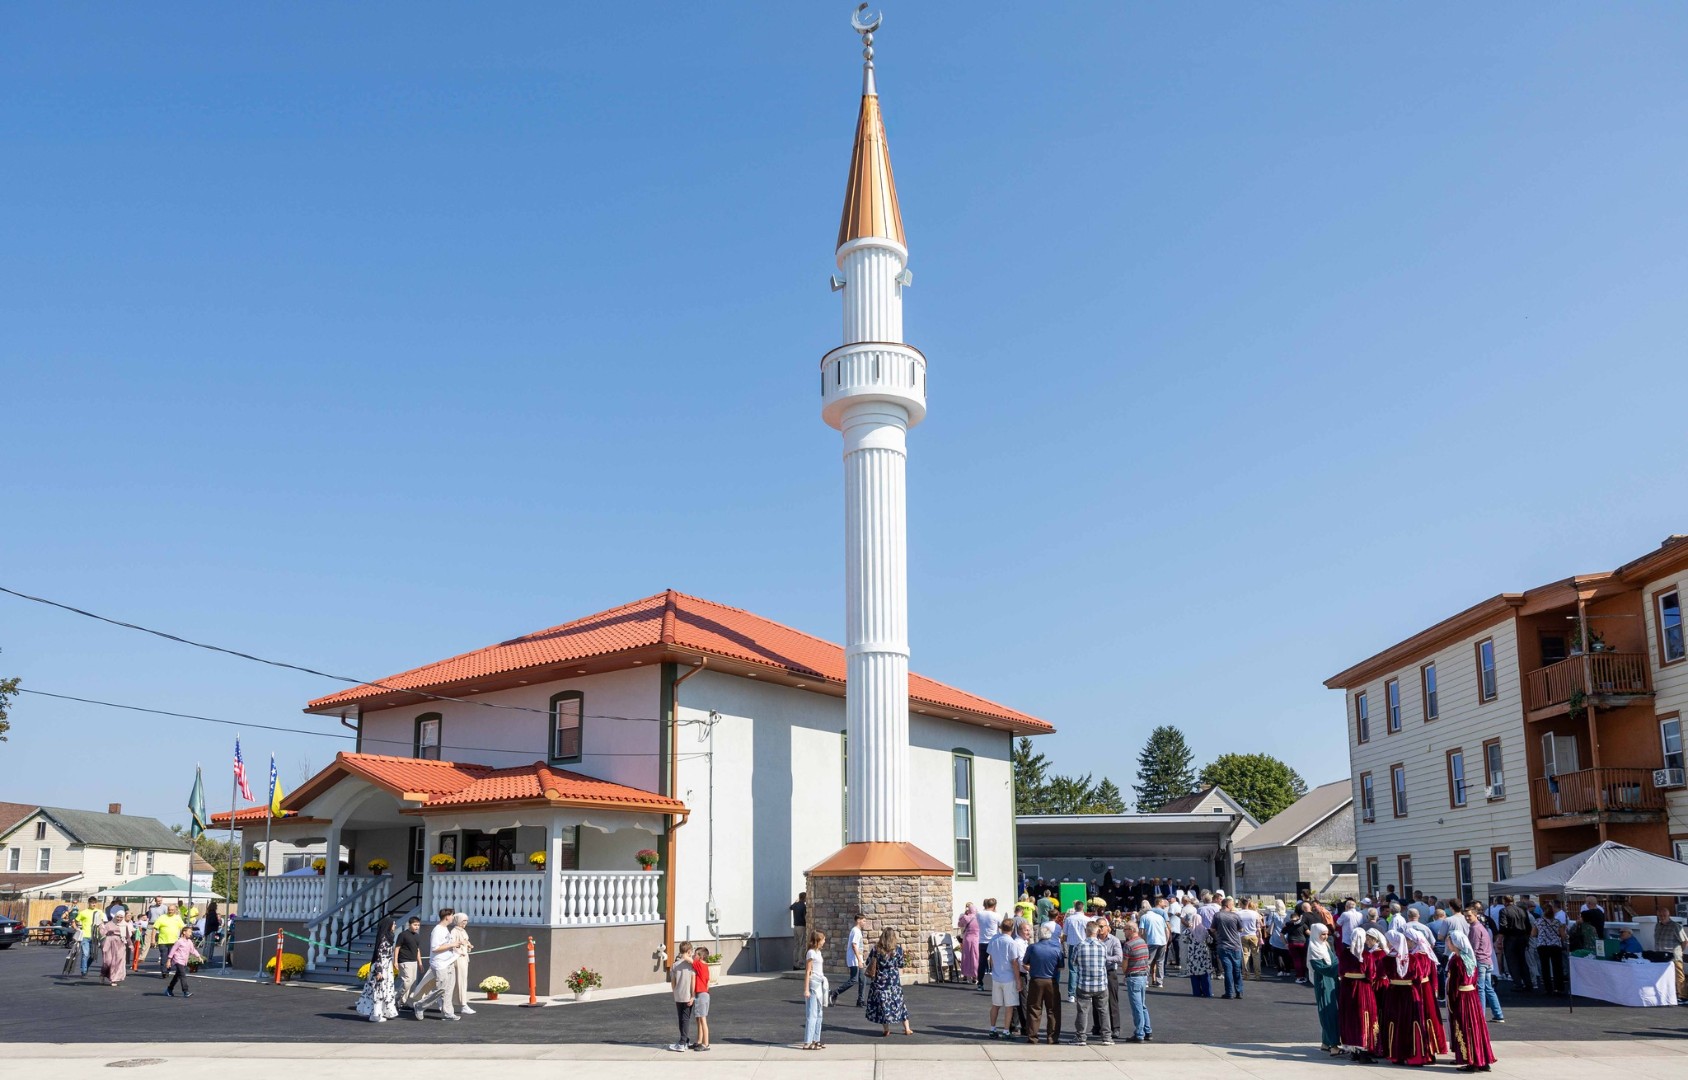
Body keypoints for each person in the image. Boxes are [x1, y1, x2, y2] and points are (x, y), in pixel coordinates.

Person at [1445, 926, 1496, 1072]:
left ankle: (1472, 1061)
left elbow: (1454, 984)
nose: (1448, 944)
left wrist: (1452, 1002)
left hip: (1462, 998)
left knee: (1466, 1028)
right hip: (1472, 997)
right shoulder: (1469, 957)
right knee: (1476, 1028)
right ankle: (1482, 1059)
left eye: (1450, 942)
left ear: (1455, 943)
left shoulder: (1457, 961)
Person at [1378, 931, 1433, 1066]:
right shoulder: (1413, 959)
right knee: (1412, 1022)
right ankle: (1414, 1055)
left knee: (1396, 1023)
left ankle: (1397, 1055)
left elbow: (1379, 974)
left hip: (1394, 993)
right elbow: (1419, 978)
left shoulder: (1386, 959)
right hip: (1410, 993)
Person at [1341, 929, 1386, 1063]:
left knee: (1350, 1016)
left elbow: (1340, 971)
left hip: (1347, 988)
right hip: (1362, 988)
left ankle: (1353, 1050)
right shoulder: (1366, 955)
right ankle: (1364, 1051)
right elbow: (1371, 974)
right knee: (1364, 1016)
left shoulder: (1344, 953)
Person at [409, 908, 461, 1021]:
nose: (453, 917)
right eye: (452, 915)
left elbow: (446, 945)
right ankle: (420, 1005)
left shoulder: (445, 929)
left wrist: (457, 945)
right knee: (441, 989)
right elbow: (435, 948)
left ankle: (448, 1013)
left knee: (449, 989)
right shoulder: (438, 930)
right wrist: (452, 944)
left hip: (449, 962)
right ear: (447, 916)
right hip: (440, 964)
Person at [1071, 920, 1112, 1047]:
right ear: (1097, 932)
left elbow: (1073, 962)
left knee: (1083, 1011)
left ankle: (1081, 1037)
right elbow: (1105, 961)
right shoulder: (1103, 946)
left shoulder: (1079, 946)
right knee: (1103, 1010)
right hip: (1100, 984)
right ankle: (1107, 1037)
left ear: (1086, 932)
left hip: (1084, 984)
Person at [864, 928, 912, 1037]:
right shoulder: (898, 950)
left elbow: (868, 962)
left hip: (880, 981)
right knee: (899, 1003)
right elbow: (901, 964)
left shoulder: (876, 949)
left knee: (882, 1005)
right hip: (893, 981)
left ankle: (886, 1029)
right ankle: (907, 1028)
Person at [1023, 923, 1063, 1045]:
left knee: (1034, 1008)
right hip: (1051, 980)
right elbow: (1061, 967)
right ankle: (1052, 1037)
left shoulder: (1032, 948)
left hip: (1036, 980)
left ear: (1038, 936)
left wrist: (1033, 968)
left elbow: (1025, 962)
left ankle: (1033, 1036)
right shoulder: (1057, 949)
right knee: (1053, 1010)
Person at [986, 917, 1026, 1038]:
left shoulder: (994, 940)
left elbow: (991, 957)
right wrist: (1018, 980)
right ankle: (1005, 1030)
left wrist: (994, 969)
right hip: (1009, 977)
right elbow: (1014, 963)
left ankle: (992, 1028)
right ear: (1012, 929)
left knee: (995, 1005)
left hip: (997, 976)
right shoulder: (1012, 943)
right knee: (1009, 1006)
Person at [1464, 903, 1504, 1023]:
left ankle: (1480, 1015)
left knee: (1481, 988)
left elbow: (1473, 948)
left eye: (1469, 916)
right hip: (1487, 960)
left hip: (1480, 961)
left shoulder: (1475, 929)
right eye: (1465, 916)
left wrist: (1469, 962)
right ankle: (1498, 1013)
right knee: (1488, 988)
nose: (1467, 918)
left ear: (1475, 915)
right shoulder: (1481, 927)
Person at [355, 918, 400, 1023]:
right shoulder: (384, 939)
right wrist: (379, 971)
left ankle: (378, 1013)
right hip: (381, 967)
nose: (395, 926)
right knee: (379, 990)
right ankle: (376, 1014)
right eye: (393, 924)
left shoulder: (388, 937)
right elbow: (379, 955)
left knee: (383, 990)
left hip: (386, 967)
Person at [1307, 923, 1340, 1055]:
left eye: (1326, 934)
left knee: (1332, 1010)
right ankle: (1334, 1045)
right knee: (1328, 1012)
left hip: (1332, 980)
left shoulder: (1324, 945)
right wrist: (1340, 968)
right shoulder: (1313, 948)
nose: (1325, 937)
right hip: (1324, 981)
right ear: (1316, 934)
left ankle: (1326, 1042)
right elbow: (1320, 967)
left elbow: (1334, 959)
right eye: (1323, 934)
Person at [1120, 919, 1152, 1043]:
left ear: (1131, 930)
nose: (1124, 932)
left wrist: (1125, 973)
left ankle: (1139, 1033)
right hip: (1143, 975)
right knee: (1142, 1005)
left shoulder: (1129, 945)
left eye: (1125, 929)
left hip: (1134, 976)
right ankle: (1147, 1030)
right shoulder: (1142, 942)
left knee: (1136, 1006)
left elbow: (1124, 963)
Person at [830, 913, 868, 1007]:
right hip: (854, 960)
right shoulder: (856, 931)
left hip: (858, 959)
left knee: (863, 979)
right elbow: (854, 945)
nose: (865, 922)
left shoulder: (857, 931)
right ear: (858, 920)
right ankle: (835, 992)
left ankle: (860, 1000)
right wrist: (859, 960)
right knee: (854, 979)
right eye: (863, 920)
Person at [1211, 897, 1245, 999]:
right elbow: (1241, 929)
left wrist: (1219, 932)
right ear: (1229, 905)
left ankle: (1229, 992)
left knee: (1228, 970)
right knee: (1237, 970)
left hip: (1223, 945)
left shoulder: (1217, 916)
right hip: (1235, 946)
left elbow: (1212, 929)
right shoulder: (1235, 916)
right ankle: (1239, 992)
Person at [1651, 902, 1686, 1001]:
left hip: (1674, 955)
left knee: (1679, 976)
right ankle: (1671, 994)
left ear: (1669, 915)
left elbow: (1685, 941)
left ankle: (1683, 996)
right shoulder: (1657, 926)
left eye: (1664, 915)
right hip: (1661, 956)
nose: (1662, 917)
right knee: (1665, 976)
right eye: (1660, 915)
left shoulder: (1675, 926)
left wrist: (1679, 951)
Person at [1498, 896, 1532, 991]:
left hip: (1511, 938)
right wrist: (1526, 938)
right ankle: (1528, 983)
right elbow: (1528, 926)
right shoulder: (1522, 910)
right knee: (1523, 961)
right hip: (1522, 937)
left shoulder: (1504, 911)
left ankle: (1518, 983)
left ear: (1505, 901)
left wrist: (1500, 940)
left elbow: (1503, 926)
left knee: (1512, 962)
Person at [667, 941, 696, 1052]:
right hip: (688, 995)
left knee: (681, 1019)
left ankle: (684, 1040)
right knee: (686, 1018)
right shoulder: (691, 965)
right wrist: (693, 996)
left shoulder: (675, 965)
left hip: (678, 995)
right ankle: (683, 1042)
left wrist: (675, 992)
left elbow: (673, 982)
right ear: (689, 951)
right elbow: (693, 981)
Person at [802, 930, 828, 1050]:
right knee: (812, 1014)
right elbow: (808, 971)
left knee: (819, 1013)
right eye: (823, 939)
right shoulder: (811, 953)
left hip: (820, 982)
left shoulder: (818, 953)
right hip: (813, 984)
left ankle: (816, 1040)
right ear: (817, 941)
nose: (824, 941)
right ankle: (807, 1041)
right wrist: (806, 989)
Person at [1533, 900, 1567, 993]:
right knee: (1557, 967)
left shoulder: (1538, 922)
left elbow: (1533, 933)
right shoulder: (1557, 922)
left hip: (1543, 945)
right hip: (1555, 945)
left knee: (1545, 967)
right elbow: (1563, 935)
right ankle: (1559, 987)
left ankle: (1548, 988)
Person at [163, 923, 203, 998]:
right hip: (178, 960)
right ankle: (185, 991)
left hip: (184, 961)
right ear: (184, 932)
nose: (191, 933)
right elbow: (172, 951)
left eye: (191, 932)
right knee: (183, 975)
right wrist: (169, 960)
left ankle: (169, 989)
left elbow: (193, 950)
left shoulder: (189, 942)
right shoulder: (179, 941)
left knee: (177, 976)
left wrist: (199, 956)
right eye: (189, 932)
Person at [1062, 899, 1091, 1001]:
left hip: (1073, 945)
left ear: (1075, 908)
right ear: (1082, 908)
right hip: (1084, 946)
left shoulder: (1069, 919)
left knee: (1073, 970)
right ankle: (1086, 992)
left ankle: (1071, 994)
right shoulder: (1087, 919)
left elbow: (1064, 934)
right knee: (1086, 969)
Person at [394, 916, 425, 1007]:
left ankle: (403, 1002)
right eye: (415, 925)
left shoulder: (417, 936)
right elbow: (397, 948)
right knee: (407, 981)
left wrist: (420, 963)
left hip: (413, 961)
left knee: (413, 983)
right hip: (404, 961)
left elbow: (417, 950)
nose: (417, 927)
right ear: (409, 924)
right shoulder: (403, 935)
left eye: (418, 925)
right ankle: (396, 998)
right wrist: (395, 961)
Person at [450, 913, 476, 1015]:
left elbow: (465, 941)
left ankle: (461, 1003)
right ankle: (463, 1005)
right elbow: (452, 945)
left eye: (466, 921)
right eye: (463, 921)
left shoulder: (463, 931)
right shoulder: (454, 932)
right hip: (458, 959)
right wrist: (459, 951)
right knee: (459, 981)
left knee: (463, 981)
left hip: (464, 959)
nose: (465, 923)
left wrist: (468, 945)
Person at [1183, 910, 1213, 996]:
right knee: (1205, 974)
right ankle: (1208, 992)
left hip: (1193, 954)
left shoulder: (1188, 931)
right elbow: (1210, 941)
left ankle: (1196, 992)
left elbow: (1184, 940)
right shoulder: (1204, 930)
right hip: (1203, 954)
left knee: (1194, 974)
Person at [1140, 899, 1169, 987]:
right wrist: (1166, 941)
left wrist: (1142, 941)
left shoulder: (1144, 917)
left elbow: (1141, 931)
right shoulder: (1160, 917)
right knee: (1160, 962)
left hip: (1151, 941)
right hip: (1162, 941)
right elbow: (1166, 930)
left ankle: (1145, 982)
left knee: (1148, 962)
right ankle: (1160, 982)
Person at [974, 898, 1000, 990]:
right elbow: (1000, 926)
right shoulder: (996, 915)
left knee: (982, 963)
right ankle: (997, 983)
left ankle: (980, 983)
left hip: (982, 941)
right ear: (994, 906)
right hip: (993, 941)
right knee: (996, 963)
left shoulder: (980, 914)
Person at [153, 904, 184, 979]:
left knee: (172, 957)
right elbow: (155, 928)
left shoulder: (177, 918)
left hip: (174, 942)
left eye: (172, 910)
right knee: (164, 956)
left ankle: (168, 969)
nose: (170, 911)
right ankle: (164, 971)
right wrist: (153, 939)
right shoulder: (162, 917)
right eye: (169, 910)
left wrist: (183, 939)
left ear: (175, 910)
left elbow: (183, 928)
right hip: (163, 941)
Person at [100, 913, 128, 986]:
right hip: (109, 942)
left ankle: (114, 979)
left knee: (117, 961)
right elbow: (103, 933)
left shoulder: (125, 925)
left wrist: (131, 946)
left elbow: (127, 936)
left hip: (120, 944)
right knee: (107, 961)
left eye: (121, 917)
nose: (119, 919)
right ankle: (103, 974)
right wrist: (100, 927)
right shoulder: (109, 924)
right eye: (118, 917)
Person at [1237, 898, 1262, 981]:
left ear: (1241, 904)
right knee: (1256, 955)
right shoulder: (1255, 913)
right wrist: (1260, 937)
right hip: (1253, 935)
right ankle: (1257, 975)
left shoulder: (1238, 913)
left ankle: (1246, 975)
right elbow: (1259, 926)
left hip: (1242, 935)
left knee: (1245, 955)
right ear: (1248, 904)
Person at [957, 902, 981, 985]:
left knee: (965, 957)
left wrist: (964, 915)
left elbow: (959, 924)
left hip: (967, 939)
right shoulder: (979, 918)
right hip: (976, 939)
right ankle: (975, 977)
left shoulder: (966, 917)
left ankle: (965, 976)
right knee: (975, 957)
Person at [201, 902, 222, 967]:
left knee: (207, 944)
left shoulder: (208, 913)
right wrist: (217, 923)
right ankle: (208, 958)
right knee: (210, 944)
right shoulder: (213, 913)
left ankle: (204, 956)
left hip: (207, 930)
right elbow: (212, 922)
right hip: (211, 930)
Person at [790, 892, 807, 970]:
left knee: (796, 945)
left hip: (795, 926)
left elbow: (790, 907)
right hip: (801, 926)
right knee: (802, 945)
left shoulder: (795, 905)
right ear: (804, 898)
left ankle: (795, 963)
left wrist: (796, 901)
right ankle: (801, 963)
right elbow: (805, 916)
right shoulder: (804, 906)